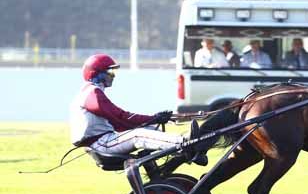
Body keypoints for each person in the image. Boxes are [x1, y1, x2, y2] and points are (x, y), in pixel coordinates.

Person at [69, 54, 207, 165]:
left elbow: (119, 123)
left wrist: (153, 120)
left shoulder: (91, 91)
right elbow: (121, 117)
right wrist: (154, 118)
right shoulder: (92, 93)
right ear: (97, 73)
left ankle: (183, 154)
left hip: (103, 140)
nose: (113, 75)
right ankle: (186, 144)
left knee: (152, 130)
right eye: (109, 71)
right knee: (138, 135)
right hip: (101, 144)